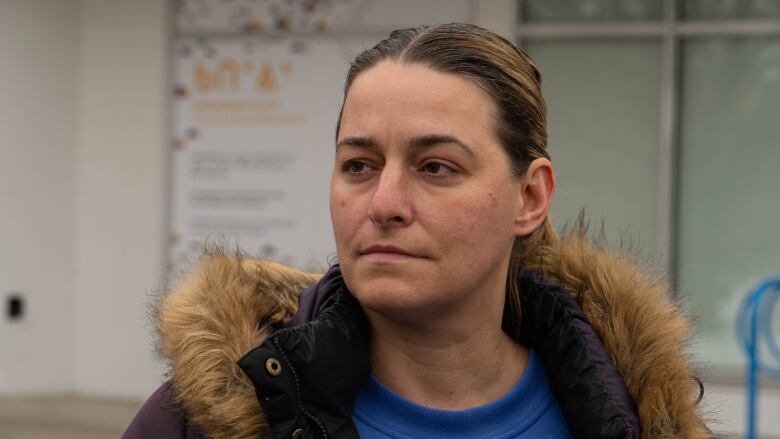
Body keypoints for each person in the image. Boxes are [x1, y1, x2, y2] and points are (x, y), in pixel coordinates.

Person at [125, 23, 710, 438]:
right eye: (359, 165)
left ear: (529, 198)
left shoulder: (642, 415)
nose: (384, 204)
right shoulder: (202, 419)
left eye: (436, 167)